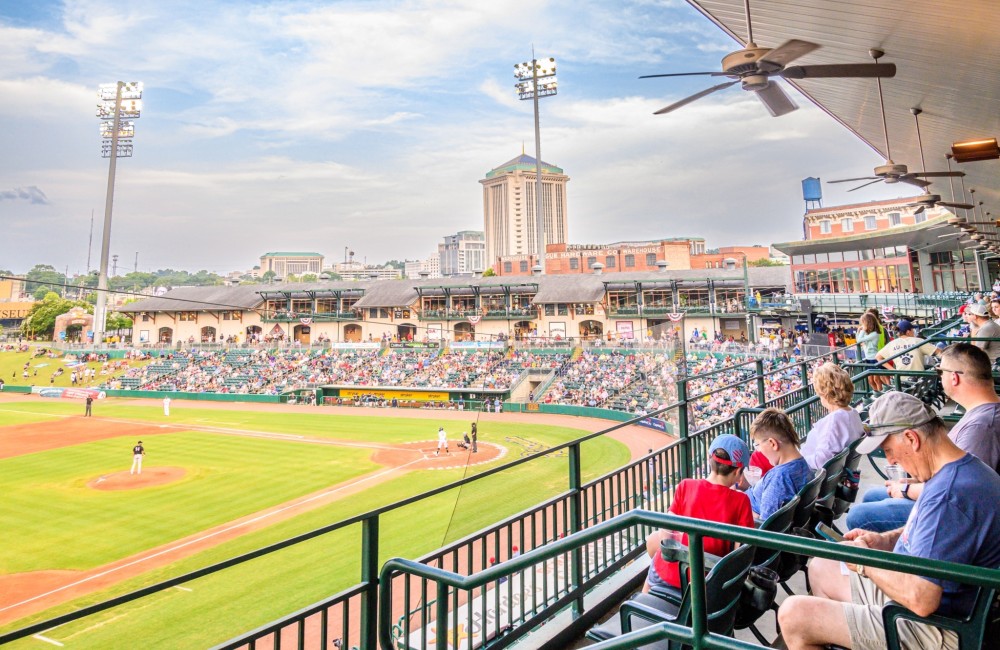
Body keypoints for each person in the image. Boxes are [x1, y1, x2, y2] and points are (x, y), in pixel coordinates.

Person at [778, 391, 1000, 650]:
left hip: (940, 627)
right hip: (931, 600)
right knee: (822, 567)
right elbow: (933, 531)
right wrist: (884, 540)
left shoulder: (949, 496)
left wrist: (865, 564)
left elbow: (921, 599)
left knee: (795, 614)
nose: (891, 460)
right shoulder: (961, 471)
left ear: (911, 438)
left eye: (889, 450)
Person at [847, 344, 1000, 532]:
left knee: (860, 516)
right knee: (872, 495)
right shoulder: (982, 415)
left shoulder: (981, 427)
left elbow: (963, 493)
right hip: (942, 492)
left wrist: (905, 490)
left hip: (952, 510)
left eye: (940, 371)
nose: (939, 377)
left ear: (954, 377)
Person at [643, 434, 755, 593]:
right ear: (738, 472)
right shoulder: (741, 501)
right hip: (709, 582)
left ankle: (643, 604)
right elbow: (739, 555)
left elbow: (666, 536)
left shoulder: (686, 486)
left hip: (668, 575)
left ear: (710, 460)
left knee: (655, 564)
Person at [746, 408, 812, 520]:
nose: (759, 451)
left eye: (758, 445)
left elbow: (766, 527)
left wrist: (741, 510)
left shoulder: (779, 479)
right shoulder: (803, 465)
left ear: (772, 443)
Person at [799, 363, 866, 470]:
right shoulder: (852, 413)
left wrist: (796, 460)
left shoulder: (834, 421)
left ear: (823, 392)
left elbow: (821, 461)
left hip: (813, 477)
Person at [874, 319, 940, 373]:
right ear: (908, 331)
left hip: (900, 379)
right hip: (918, 379)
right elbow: (940, 353)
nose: (914, 332)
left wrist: (893, 371)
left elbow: (878, 357)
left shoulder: (892, 344)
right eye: (913, 330)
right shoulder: (918, 341)